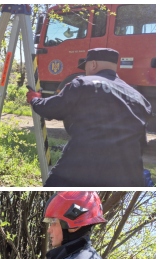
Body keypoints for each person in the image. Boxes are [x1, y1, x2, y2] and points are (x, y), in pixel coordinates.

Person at [27, 48, 152, 187]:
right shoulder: (140, 99)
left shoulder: (83, 83)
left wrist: (35, 99)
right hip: (128, 177)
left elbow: (51, 109)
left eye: (85, 66)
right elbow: (141, 143)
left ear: (93, 64)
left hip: (79, 171)